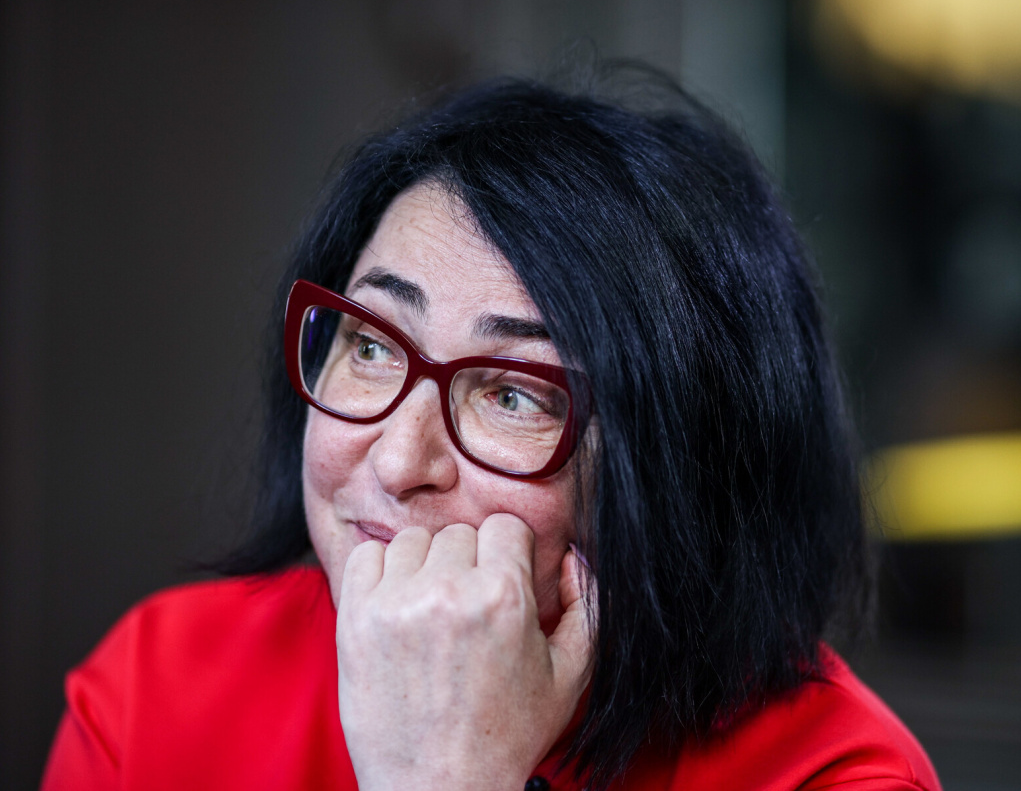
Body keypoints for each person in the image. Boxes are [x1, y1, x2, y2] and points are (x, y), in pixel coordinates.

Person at [41, 69, 941, 791]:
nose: (399, 459)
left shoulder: (837, 774)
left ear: (682, 464)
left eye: (515, 395)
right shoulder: (158, 688)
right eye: (371, 345)